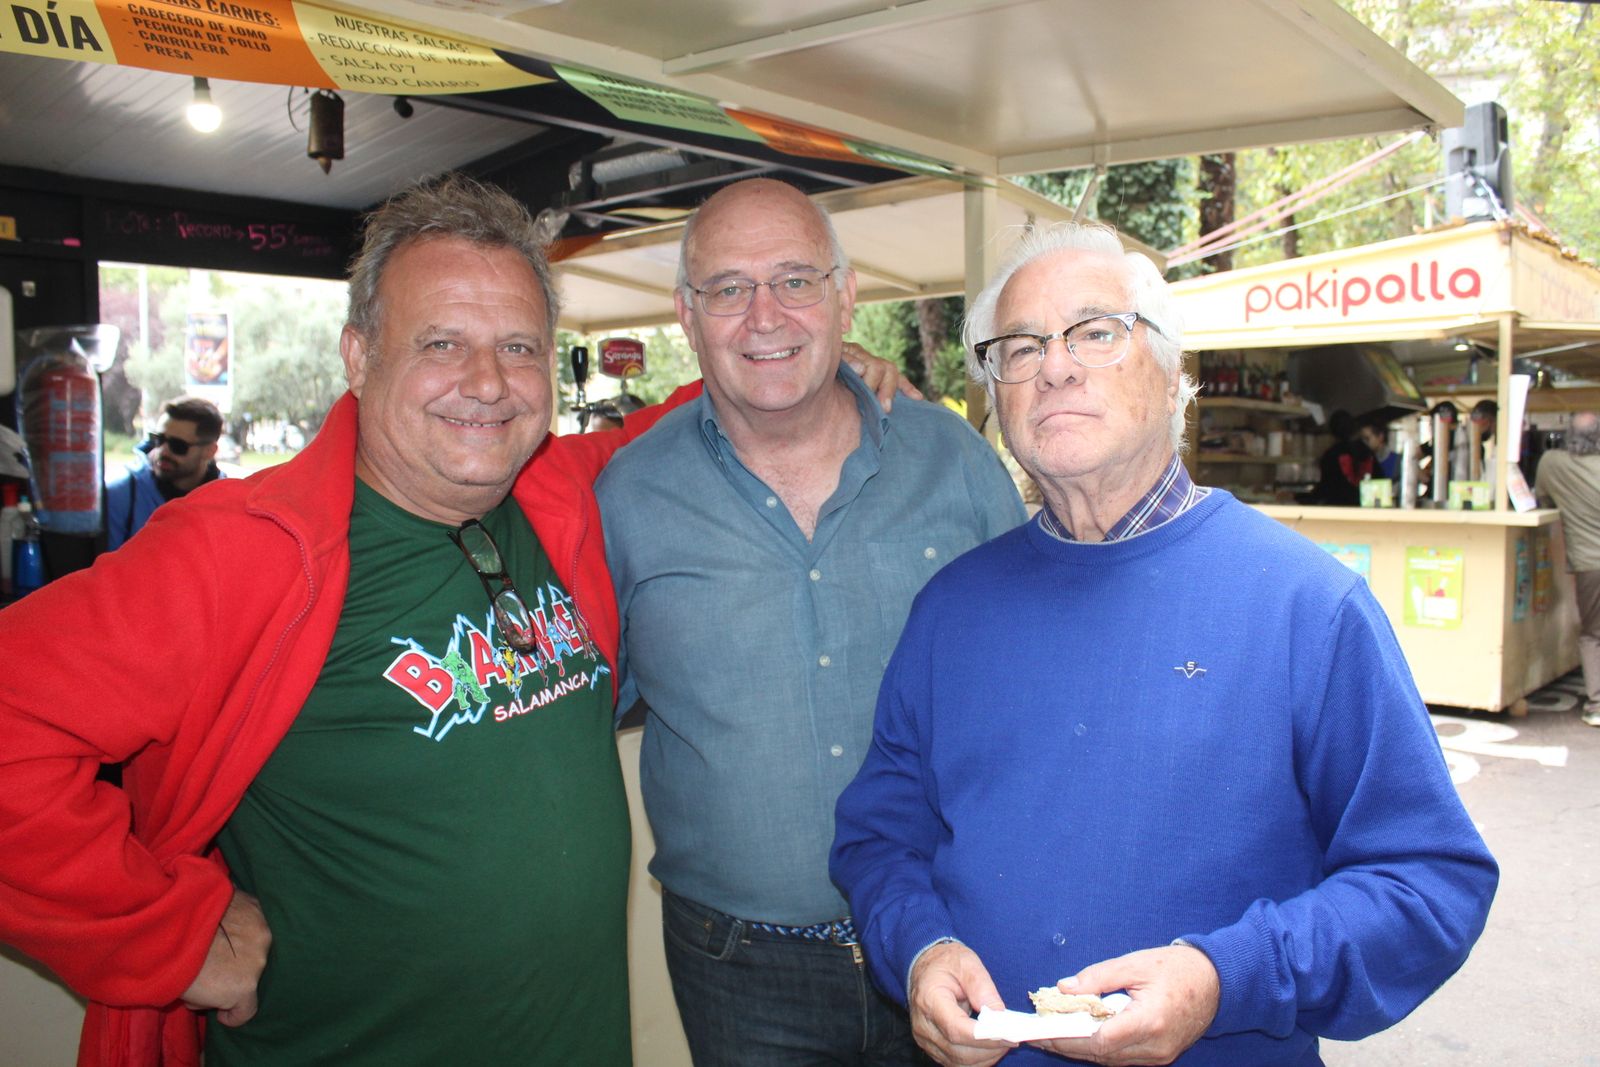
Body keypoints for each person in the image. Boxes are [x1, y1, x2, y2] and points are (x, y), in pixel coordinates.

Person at [0, 173, 914, 1067]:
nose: (487, 383)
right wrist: (168, 934)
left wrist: (817, 363)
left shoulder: (553, 494)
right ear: (360, 355)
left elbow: (710, 406)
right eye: (442, 343)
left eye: (519, 347)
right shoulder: (247, 548)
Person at [830, 221, 1498, 1067]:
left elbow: (1430, 883)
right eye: (1021, 346)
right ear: (995, 393)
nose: (1057, 366)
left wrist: (1226, 977)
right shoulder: (951, 609)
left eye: (1096, 332)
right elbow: (876, 838)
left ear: (1174, 369)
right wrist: (919, 947)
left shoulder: (1308, 606)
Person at [595, 178, 1026, 1066]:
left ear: (845, 294)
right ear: (686, 312)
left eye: (795, 280)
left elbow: (1039, 680)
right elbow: (580, 700)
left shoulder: (953, 462)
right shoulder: (625, 498)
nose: (765, 316)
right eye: (728, 288)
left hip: (957, 938)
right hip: (738, 963)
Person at [1534, 412, 1600, 727]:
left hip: (1591, 564)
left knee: (1593, 635)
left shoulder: (1552, 463)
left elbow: (1541, 500)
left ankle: (1597, 704)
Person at [104, 395, 226, 548]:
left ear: (210, 451)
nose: (163, 451)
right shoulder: (121, 495)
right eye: (159, 439)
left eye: (178, 445)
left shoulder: (227, 503)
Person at [1306, 408, 1372, 505]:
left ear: (1332, 431)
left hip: (1338, 510)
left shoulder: (1330, 456)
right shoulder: (1367, 452)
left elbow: (1325, 489)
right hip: (1366, 511)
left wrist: (1300, 497)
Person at [1357, 413, 1400, 480]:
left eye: (1367, 439)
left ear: (1380, 436)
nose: (1363, 443)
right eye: (1362, 439)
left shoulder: (1398, 461)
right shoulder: (1362, 461)